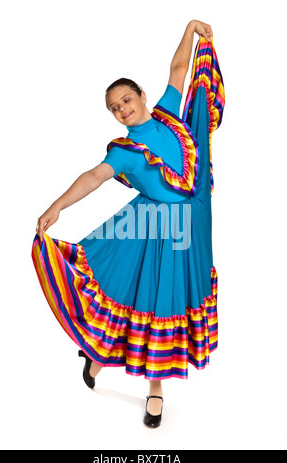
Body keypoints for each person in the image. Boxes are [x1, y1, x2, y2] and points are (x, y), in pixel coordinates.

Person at [32, 19, 225, 428]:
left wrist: (190, 30)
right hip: (153, 230)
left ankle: (150, 387)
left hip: (191, 228)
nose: (122, 109)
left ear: (141, 95)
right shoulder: (124, 151)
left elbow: (178, 71)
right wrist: (58, 205)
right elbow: (93, 177)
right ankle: (101, 359)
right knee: (145, 301)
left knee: (168, 304)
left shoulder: (168, 116)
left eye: (126, 99)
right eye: (114, 108)